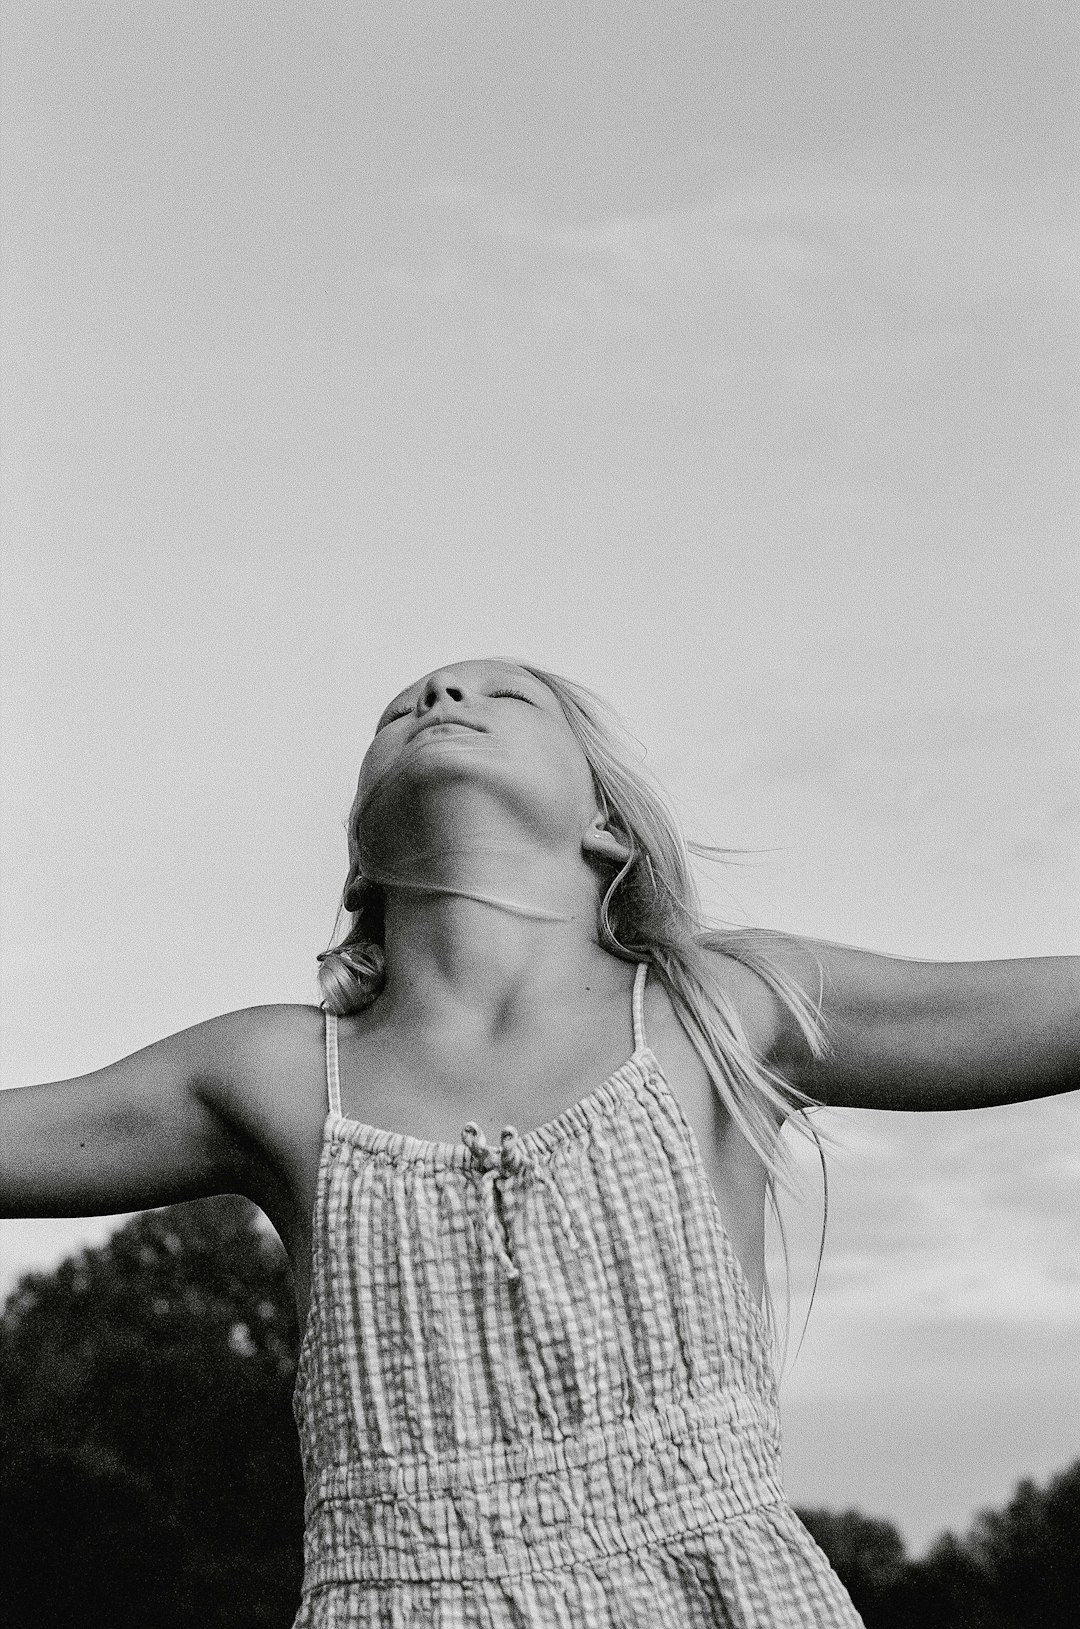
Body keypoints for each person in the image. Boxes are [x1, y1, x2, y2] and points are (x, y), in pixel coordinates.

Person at [2, 657, 1076, 1628]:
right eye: (400, 708)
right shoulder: (274, 1076)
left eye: (499, 694)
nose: (439, 699)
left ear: (605, 822)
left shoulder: (716, 1011)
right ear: (358, 869)